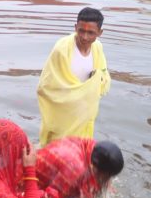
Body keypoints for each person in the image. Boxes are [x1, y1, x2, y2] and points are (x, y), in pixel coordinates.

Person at [0, 119, 124, 198]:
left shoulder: (88, 147)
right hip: (25, 182)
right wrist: (29, 172)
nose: (21, 155)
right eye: (16, 152)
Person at [37, 8, 111, 146]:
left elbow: (104, 75)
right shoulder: (62, 49)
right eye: (81, 30)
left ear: (100, 33)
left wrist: (97, 80)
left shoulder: (98, 48)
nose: (85, 37)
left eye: (91, 33)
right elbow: (45, 87)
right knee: (57, 151)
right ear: (75, 27)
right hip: (62, 114)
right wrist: (74, 94)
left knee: (81, 151)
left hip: (85, 114)